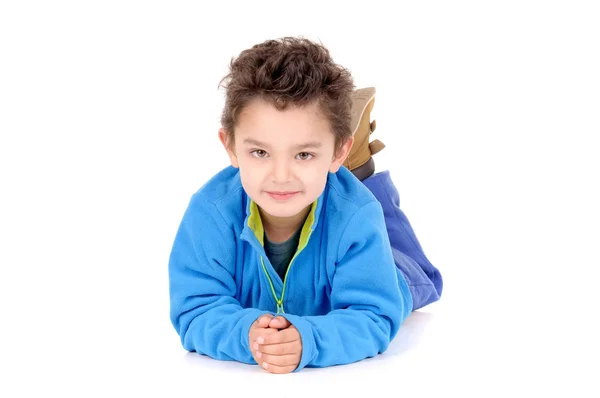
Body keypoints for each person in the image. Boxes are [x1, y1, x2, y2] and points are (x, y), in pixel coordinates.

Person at [168, 36, 443, 374]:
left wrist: (310, 340)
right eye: (260, 152)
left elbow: (373, 315)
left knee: (417, 276)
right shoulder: (210, 211)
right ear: (230, 146)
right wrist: (248, 334)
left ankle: (358, 167)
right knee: (327, 188)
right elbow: (195, 309)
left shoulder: (357, 215)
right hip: (324, 186)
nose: (280, 176)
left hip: (389, 263)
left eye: (303, 153)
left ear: (336, 151)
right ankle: (334, 159)